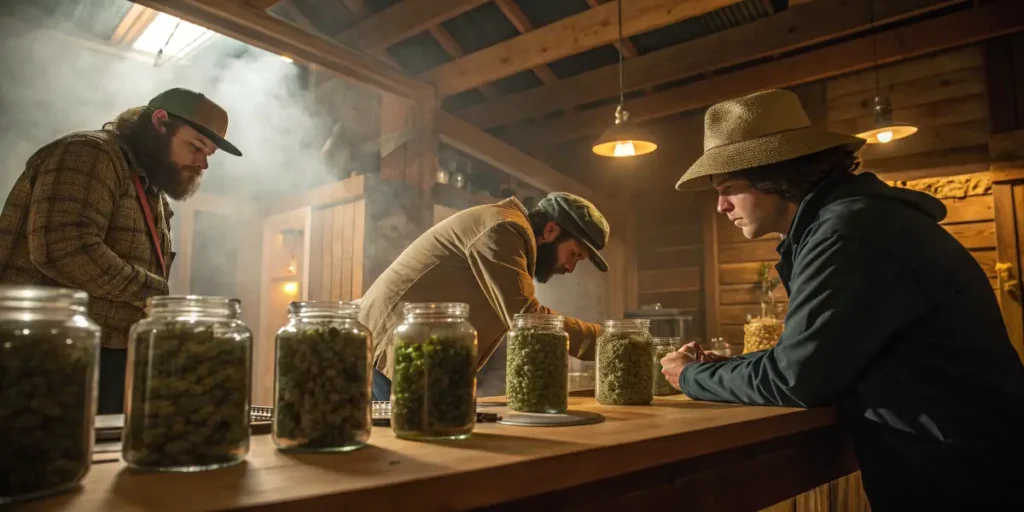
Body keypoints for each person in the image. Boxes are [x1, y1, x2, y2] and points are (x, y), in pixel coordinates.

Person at [662, 89, 1024, 510]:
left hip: (965, 478)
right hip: (961, 463)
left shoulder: (848, 232)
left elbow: (797, 377)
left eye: (728, 188)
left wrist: (689, 377)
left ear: (775, 176)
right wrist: (724, 367)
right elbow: (815, 355)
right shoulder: (853, 219)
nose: (721, 206)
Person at [0, 87, 241, 414]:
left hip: (101, 354)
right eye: (195, 146)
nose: (202, 164)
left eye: (208, 154)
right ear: (159, 122)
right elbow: (64, 249)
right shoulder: (89, 152)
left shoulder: (149, 188)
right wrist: (153, 293)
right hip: (45, 355)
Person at [359, 192, 608, 401]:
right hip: (388, 354)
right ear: (551, 230)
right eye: (575, 254)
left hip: (410, 358)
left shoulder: (508, 230)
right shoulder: (504, 228)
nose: (570, 267)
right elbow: (526, 319)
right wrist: (607, 341)